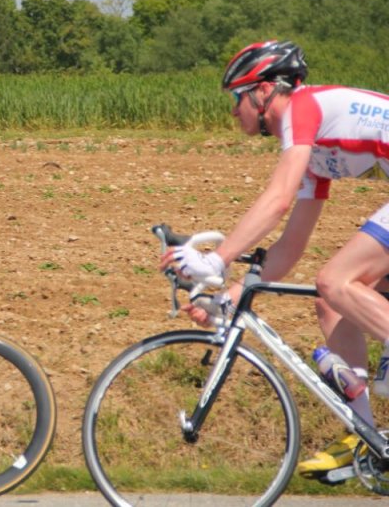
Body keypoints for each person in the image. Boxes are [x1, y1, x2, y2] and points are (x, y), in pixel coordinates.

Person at [163, 40, 389, 481]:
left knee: (336, 281)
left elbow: (277, 199)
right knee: (331, 301)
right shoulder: (311, 149)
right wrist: (229, 298)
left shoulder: (303, 107)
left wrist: (217, 260)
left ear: (264, 91)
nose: (233, 111)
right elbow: (290, 246)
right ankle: (365, 436)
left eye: (237, 97)